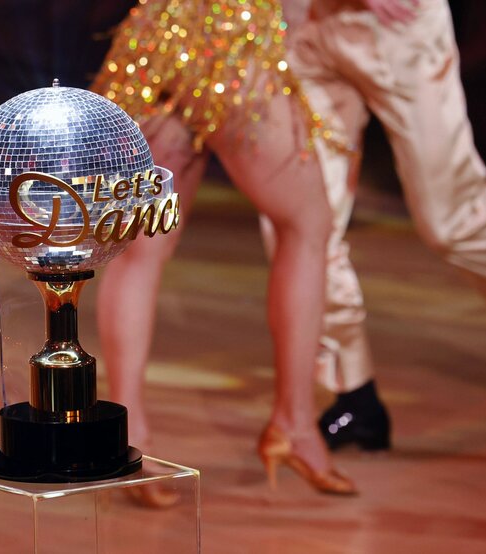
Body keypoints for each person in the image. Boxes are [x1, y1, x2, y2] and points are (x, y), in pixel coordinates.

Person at [261, 0, 486, 449]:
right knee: (302, 224)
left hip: (395, 27)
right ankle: (353, 393)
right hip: (302, 25)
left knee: (452, 221)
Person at [91, 0, 357, 495]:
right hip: (230, 43)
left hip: (154, 37)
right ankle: (295, 425)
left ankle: (128, 440)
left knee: (139, 248)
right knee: (308, 224)